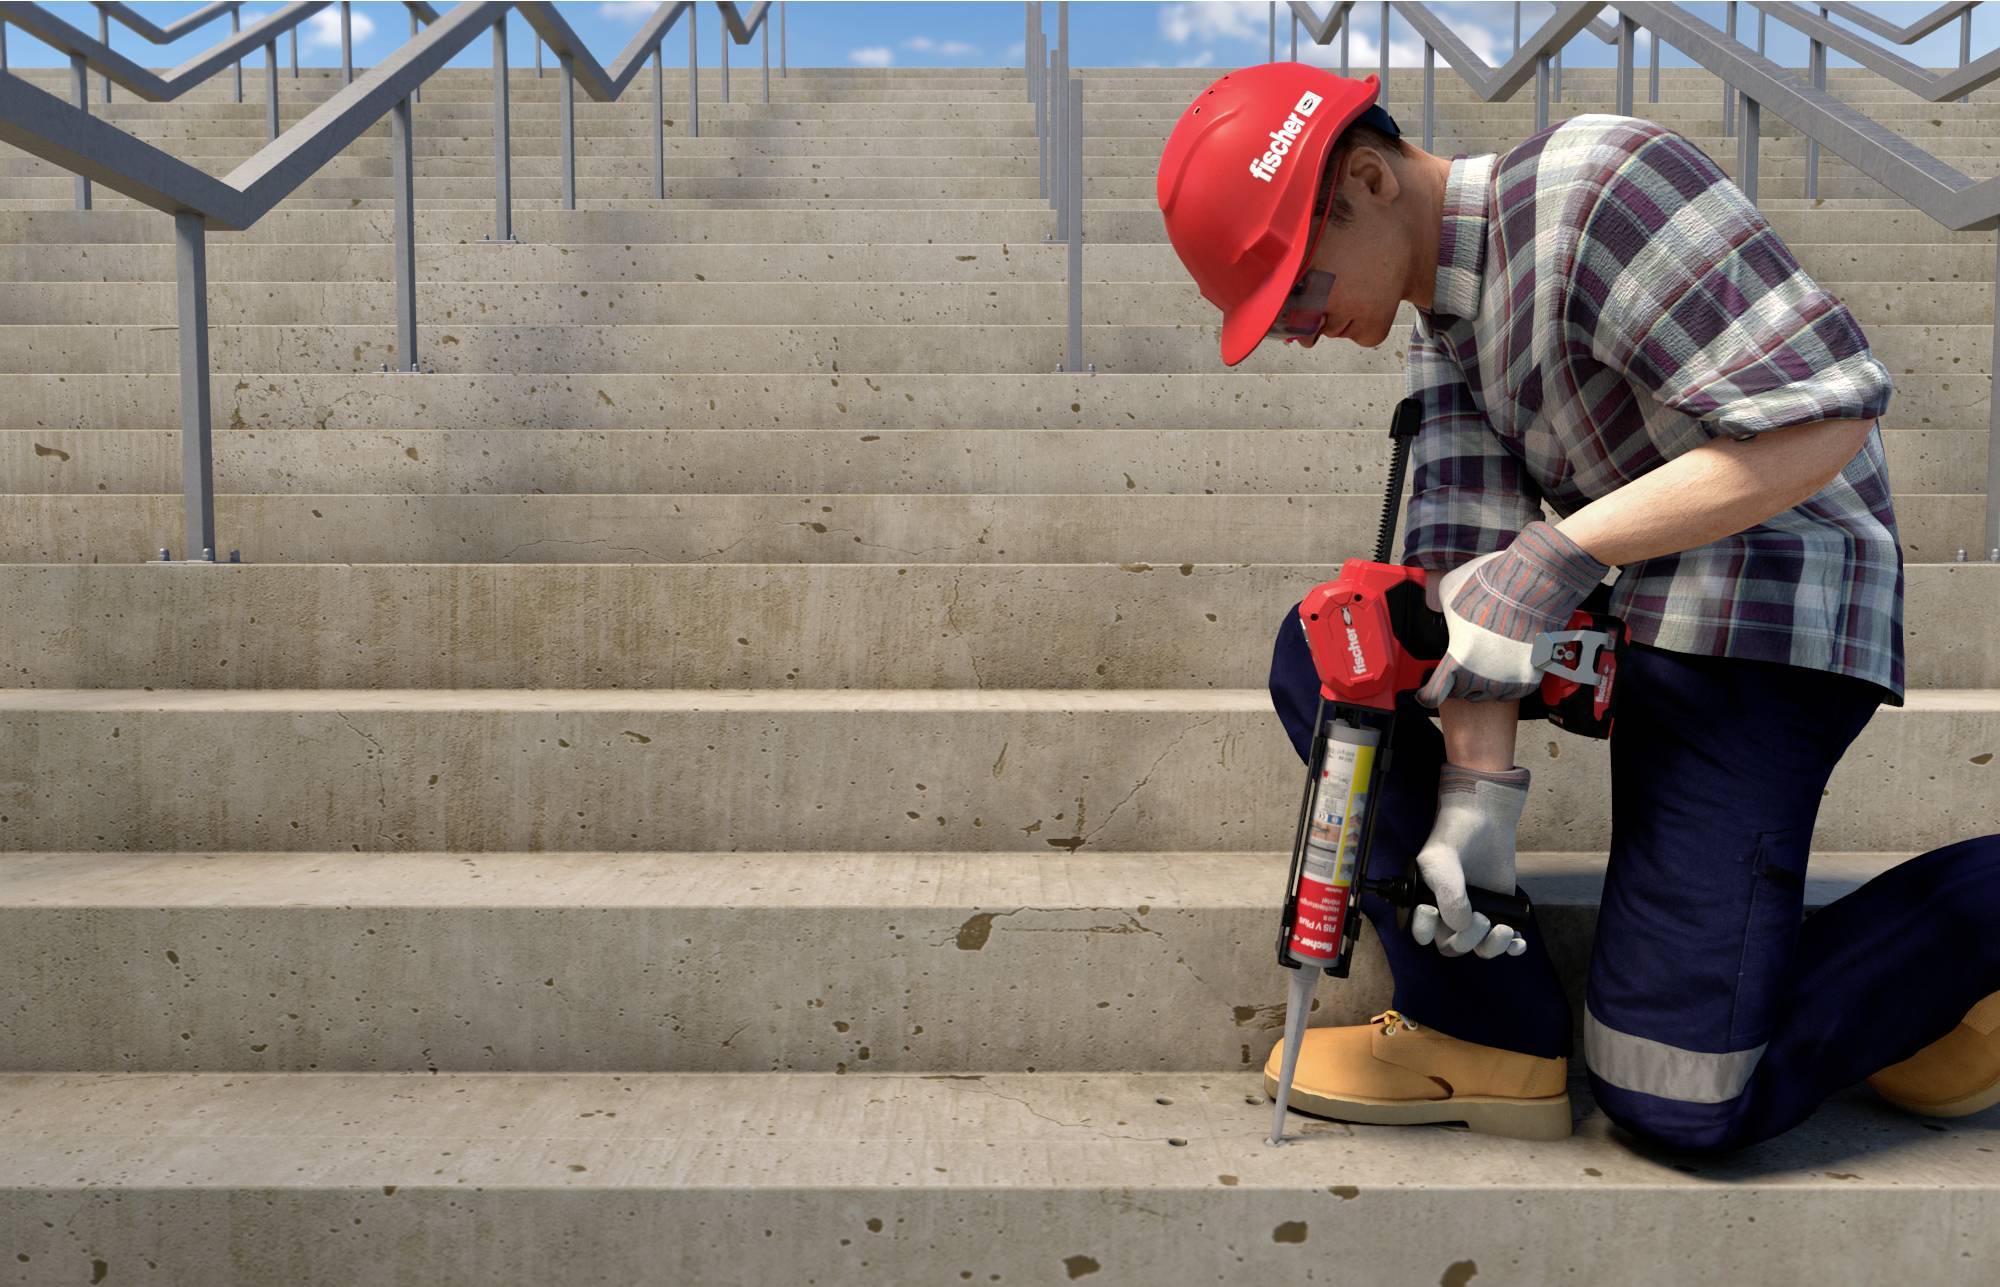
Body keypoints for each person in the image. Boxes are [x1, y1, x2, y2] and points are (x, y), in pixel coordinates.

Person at [1155, 63, 2000, 1152]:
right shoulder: (1443, 327)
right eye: (1275, 319)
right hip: (1640, 617)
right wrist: (1478, 808)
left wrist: (1558, 552)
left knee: (1680, 1100)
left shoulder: (1601, 185)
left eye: (1298, 290)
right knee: (1342, 643)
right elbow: (1464, 587)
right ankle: (1483, 1028)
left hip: (1765, 623)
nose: (1300, 329)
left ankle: (1929, 960)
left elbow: (1818, 419)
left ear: (1365, 180)